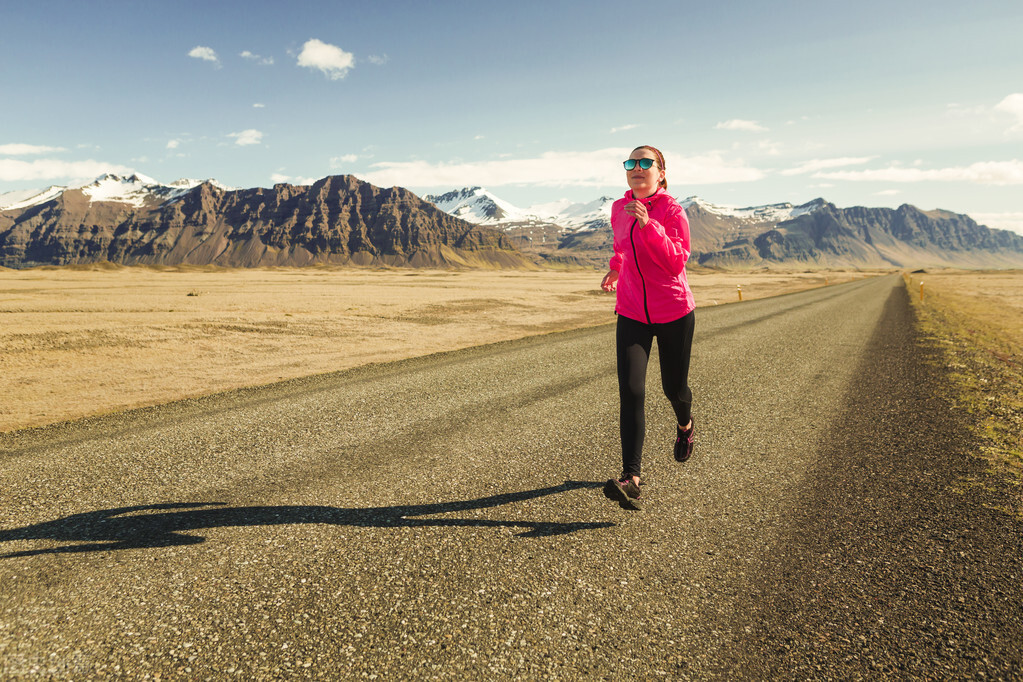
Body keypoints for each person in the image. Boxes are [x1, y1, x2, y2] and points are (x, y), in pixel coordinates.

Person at [600, 145, 696, 510]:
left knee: (674, 388)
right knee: (631, 390)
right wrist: (615, 266)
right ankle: (631, 477)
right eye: (631, 163)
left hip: (673, 310)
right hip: (631, 311)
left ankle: (685, 426)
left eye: (645, 163)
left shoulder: (672, 211)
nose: (636, 168)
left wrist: (648, 224)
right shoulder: (618, 209)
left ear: (661, 173)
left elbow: (675, 262)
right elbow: (622, 247)